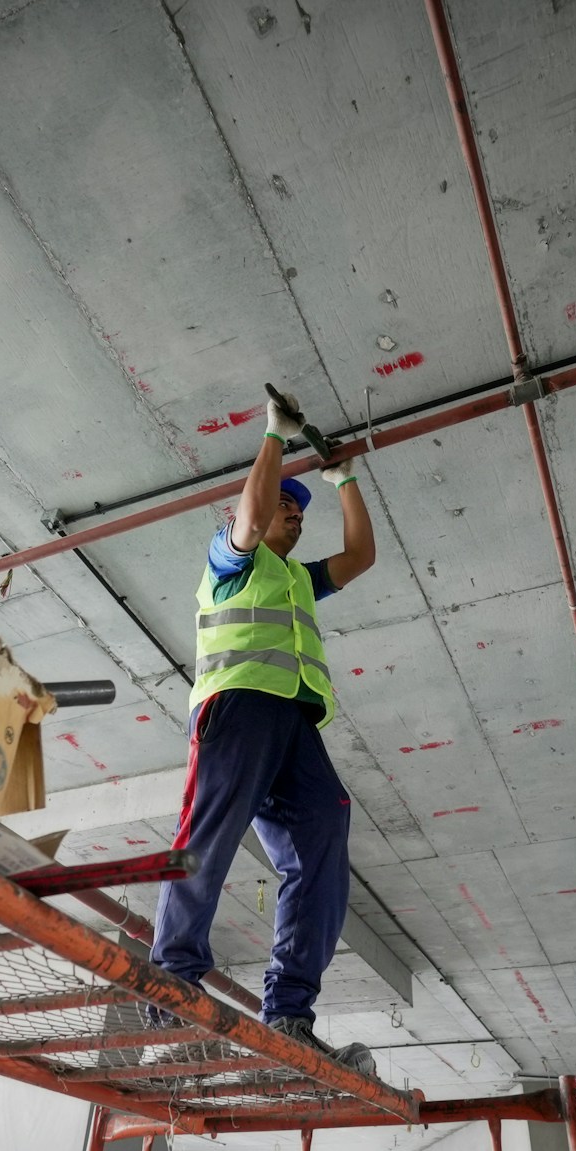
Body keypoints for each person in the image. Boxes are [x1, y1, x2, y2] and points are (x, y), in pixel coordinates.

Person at [150, 389, 378, 1075]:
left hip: (296, 723)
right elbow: (250, 515)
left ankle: (289, 1011)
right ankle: (174, 978)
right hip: (238, 709)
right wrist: (274, 438)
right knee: (211, 831)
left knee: (323, 833)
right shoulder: (231, 563)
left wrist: (344, 478)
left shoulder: (300, 581)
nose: (294, 518)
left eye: (301, 514)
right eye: (286, 504)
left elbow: (361, 555)